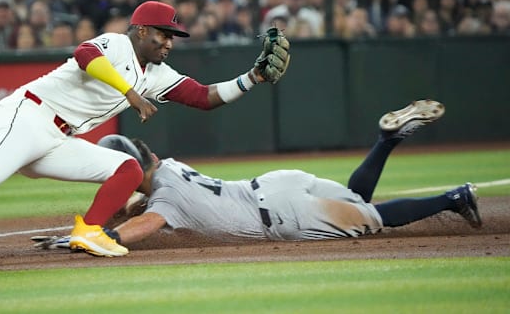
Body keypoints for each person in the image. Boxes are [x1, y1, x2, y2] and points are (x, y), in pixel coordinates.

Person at [0, 0, 290, 257]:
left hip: (57, 136)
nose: (169, 42)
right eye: (162, 34)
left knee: (128, 170)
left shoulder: (156, 73)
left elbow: (203, 97)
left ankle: (88, 230)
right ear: (139, 31)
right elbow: (83, 55)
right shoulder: (117, 44)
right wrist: (130, 94)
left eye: (172, 36)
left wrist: (251, 79)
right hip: (29, 112)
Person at [36, 100, 482, 251]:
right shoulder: (169, 168)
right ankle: (386, 141)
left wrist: (89, 239)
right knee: (352, 196)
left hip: (284, 215)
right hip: (278, 183)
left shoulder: (164, 203)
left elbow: (137, 225)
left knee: (373, 219)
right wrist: (94, 226)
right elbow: (133, 206)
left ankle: (453, 198)